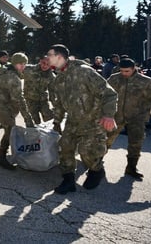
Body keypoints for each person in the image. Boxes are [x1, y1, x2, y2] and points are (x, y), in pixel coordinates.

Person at [47, 44, 118, 194]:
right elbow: (59, 103)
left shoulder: (84, 71)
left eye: (50, 55)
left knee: (87, 152)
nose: (47, 58)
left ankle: (96, 171)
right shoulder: (58, 78)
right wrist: (56, 121)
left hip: (92, 121)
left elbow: (109, 94)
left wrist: (108, 115)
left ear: (59, 57)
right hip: (73, 121)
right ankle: (68, 181)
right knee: (65, 148)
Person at [107, 58, 151, 180]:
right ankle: (95, 164)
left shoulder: (146, 82)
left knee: (135, 143)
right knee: (106, 140)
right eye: (121, 71)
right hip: (117, 116)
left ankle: (131, 167)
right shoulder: (114, 78)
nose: (124, 73)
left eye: (127, 71)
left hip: (137, 117)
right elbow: (104, 94)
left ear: (134, 69)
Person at [0, 52, 35, 170]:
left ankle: (1, 155)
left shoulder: (4, 69)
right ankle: (1, 157)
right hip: (3, 107)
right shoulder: (14, 79)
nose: (23, 66)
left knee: (9, 130)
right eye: (21, 64)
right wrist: (28, 119)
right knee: (11, 130)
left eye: (25, 64)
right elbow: (19, 100)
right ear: (15, 64)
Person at [23, 56, 56, 125]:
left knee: (49, 119)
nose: (45, 66)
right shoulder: (29, 69)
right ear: (40, 61)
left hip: (43, 101)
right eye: (43, 63)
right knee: (34, 122)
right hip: (30, 100)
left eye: (48, 64)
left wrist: (56, 106)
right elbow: (16, 68)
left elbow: (52, 92)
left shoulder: (51, 76)